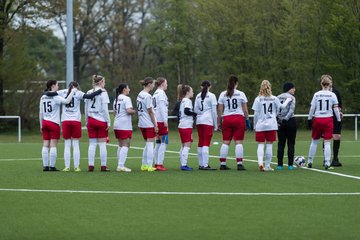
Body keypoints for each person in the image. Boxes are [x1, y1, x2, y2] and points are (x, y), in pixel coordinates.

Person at [46, 81, 102, 172]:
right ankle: (76, 167)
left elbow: (49, 93)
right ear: (77, 87)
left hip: (65, 121)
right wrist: (100, 91)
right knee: (75, 144)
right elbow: (89, 96)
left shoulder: (63, 91)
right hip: (76, 121)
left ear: (69, 87)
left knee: (67, 144)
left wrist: (44, 92)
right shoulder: (78, 93)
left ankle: (67, 167)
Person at [252, 80, 291, 172]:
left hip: (261, 125)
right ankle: (268, 165)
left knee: (261, 145)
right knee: (269, 145)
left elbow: (256, 114)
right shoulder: (274, 98)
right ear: (270, 87)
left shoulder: (258, 99)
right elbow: (282, 107)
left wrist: (255, 125)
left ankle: (260, 163)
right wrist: (288, 100)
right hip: (271, 125)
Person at [39, 80, 76, 171]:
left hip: (44, 122)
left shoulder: (43, 97)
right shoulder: (55, 97)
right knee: (53, 145)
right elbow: (67, 101)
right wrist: (72, 92)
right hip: (53, 123)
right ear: (53, 86)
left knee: (45, 144)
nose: (58, 87)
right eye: (57, 85)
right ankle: (52, 166)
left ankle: (45, 166)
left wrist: (41, 125)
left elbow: (40, 112)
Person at [307, 75, 341, 170]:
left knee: (314, 141)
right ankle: (327, 163)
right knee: (327, 142)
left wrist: (309, 118)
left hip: (317, 119)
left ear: (321, 84)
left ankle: (309, 161)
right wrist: (338, 120)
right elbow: (336, 109)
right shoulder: (333, 95)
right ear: (329, 84)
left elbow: (312, 108)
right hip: (328, 119)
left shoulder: (316, 94)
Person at [217, 75, 249, 170]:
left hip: (226, 119)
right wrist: (247, 120)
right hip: (238, 119)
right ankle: (239, 164)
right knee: (238, 142)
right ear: (236, 83)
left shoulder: (223, 94)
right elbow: (245, 110)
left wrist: (218, 122)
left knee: (225, 142)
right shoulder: (241, 94)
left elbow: (219, 110)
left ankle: (223, 164)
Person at [84, 75, 111, 172]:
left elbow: (86, 108)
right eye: (104, 81)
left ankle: (91, 165)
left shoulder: (88, 92)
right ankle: (103, 166)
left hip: (91, 119)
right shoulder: (103, 92)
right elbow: (105, 109)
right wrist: (108, 121)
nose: (105, 83)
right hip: (100, 120)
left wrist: (87, 121)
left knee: (92, 144)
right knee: (102, 144)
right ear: (100, 82)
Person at [194, 80, 218, 170]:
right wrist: (216, 124)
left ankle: (201, 164)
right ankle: (205, 164)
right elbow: (214, 111)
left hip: (199, 121)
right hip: (207, 121)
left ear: (201, 86)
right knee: (206, 143)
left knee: (201, 142)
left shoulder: (197, 96)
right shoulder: (212, 96)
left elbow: (195, 109)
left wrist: (201, 113)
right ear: (210, 86)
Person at [113, 83, 136, 172]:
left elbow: (115, 113)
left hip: (117, 123)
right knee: (126, 144)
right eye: (128, 88)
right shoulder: (126, 99)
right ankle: (121, 165)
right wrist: (135, 111)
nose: (129, 89)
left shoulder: (116, 99)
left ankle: (120, 164)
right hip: (124, 125)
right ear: (124, 90)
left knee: (121, 144)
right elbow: (129, 111)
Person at [137, 77, 158, 172]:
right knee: (150, 145)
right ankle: (149, 165)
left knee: (147, 144)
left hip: (141, 123)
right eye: (153, 84)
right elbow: (150, 111)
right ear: (149, 84)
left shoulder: (140, 94)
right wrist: (155, 125)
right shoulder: (148, 96)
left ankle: (144, 165)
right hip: (148, 123)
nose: (154, 86)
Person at [276, 82, 296, 170]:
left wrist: (279, 119)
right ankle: (290, 165)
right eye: (293, 88)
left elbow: (276, 110)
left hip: (280, 122)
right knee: (291, 143)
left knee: (281, 143)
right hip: (290, 121)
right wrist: (286, 119)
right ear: (289, 89)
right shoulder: (291, 97)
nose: (294, 90)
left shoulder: (277, 97)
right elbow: (291, 110)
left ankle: (279, 165)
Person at [178, 85, 196, 171]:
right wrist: (195, 114)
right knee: (187, 145)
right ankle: (184, 165)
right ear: (188, 92)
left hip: (182, 125)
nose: (193, 93)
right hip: (186, 125)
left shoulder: (183, 100)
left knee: (183, 145)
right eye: (192, 91)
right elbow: (186, 111)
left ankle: (182, 163)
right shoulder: (187, 100)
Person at [153, 77, 169, 171]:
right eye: (166, 83)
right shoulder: (161, 93)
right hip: (161, 120)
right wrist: (165, 121)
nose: (167, 85)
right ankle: (159, 163)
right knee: (164, 142)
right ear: (162, 83)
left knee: (158, 142)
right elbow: (162, 108)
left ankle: (156, 163)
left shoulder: (155, 93)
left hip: (156, 120)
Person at [328, 75, 343, 167]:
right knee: (327, 137)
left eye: (330, 82)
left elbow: (339, 104)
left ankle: (335, 158)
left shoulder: (336, 92)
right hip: (326, 117)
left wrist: (340, 112)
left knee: (337, 136)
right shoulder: (320, 93)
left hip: (336, 117)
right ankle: (326, 159)